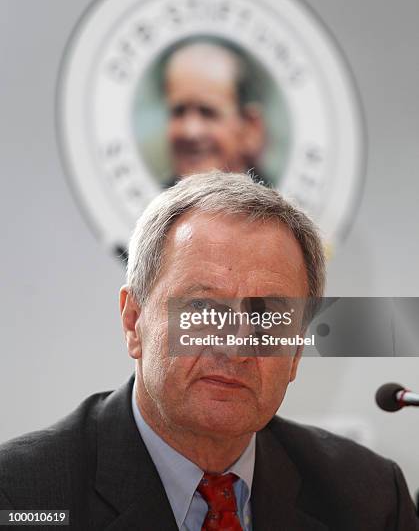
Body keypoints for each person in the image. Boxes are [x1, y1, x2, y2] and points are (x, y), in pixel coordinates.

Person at [0, 171, 418, 530]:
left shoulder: (370, 498)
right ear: (133, 321)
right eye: (202, 308)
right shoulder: (21, 494)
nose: (235, 347)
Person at [161, 38, 267, 184]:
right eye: (179, 111)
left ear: (250, 128)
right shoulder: (148, 205)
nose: (190, 131)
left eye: (207, 112)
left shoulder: (279, 205)